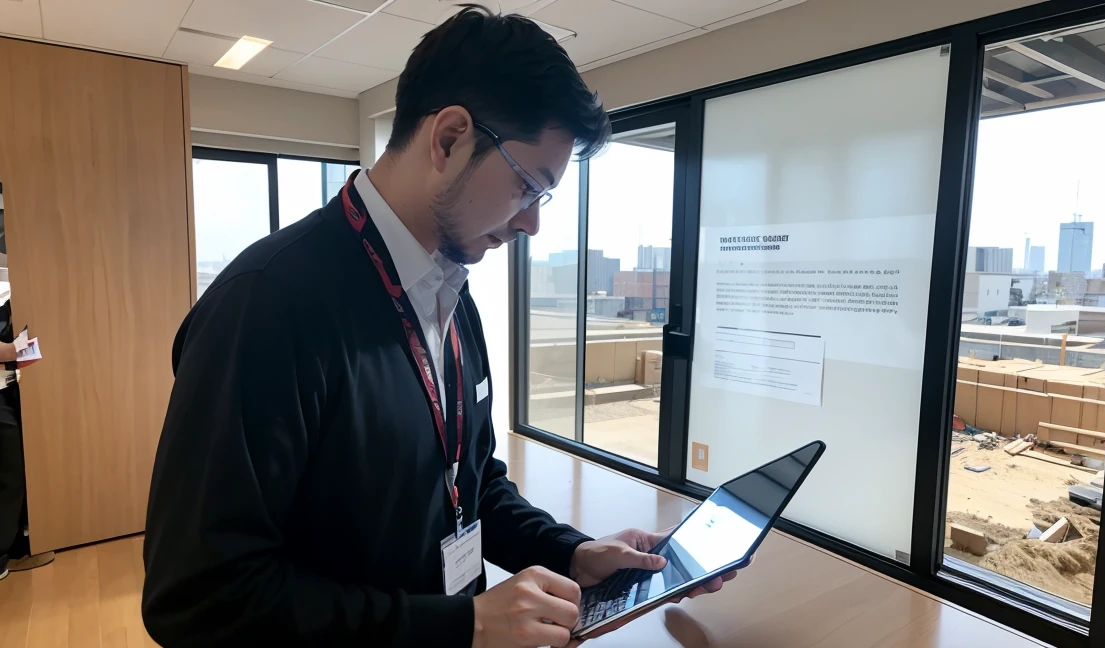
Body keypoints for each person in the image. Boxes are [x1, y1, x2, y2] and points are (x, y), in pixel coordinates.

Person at [142, 6, 739, 648]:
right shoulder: (267, 306)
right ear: (450, 138)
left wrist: (573, 553)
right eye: (527, 186)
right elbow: (198, 596)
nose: (532, 224)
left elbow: (471, 482)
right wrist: (459, 625)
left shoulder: (452, 295)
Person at [0, 291, 54, 581]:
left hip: (6, 390)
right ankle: (5, 555)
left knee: (13, 472)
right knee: (11, 477)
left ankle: (18, 547)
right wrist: (19, 346)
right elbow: (7, 352)